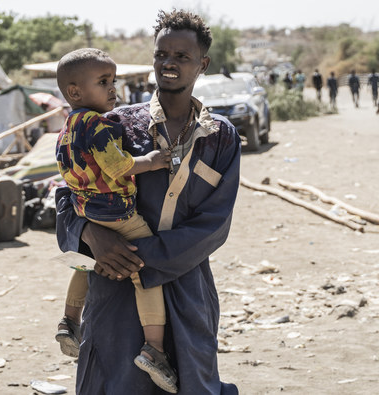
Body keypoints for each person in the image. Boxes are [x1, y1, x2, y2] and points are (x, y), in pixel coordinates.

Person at [55, 9, 240, 395]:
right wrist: (93, 237)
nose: (168, 64)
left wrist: (143, 257)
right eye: (161, 55)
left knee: (192, 380)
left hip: (186, 285)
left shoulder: (220, 137)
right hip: (114, 282)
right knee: (115, 381)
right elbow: (66, 197)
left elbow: (214, 224)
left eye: (181, 57)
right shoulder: (112, 124)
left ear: (202, 64)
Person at [54, 48, 176, 392]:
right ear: (75, 92)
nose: (113, 89)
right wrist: (151, 161)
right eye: (103, 82)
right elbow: (119, 165)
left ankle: (68, 320)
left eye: (113, 80)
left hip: (87, 209)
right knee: (146, 273)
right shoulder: (97, 124)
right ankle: (154, 349)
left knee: (86, 264)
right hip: (117, 211)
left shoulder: (67, 126)